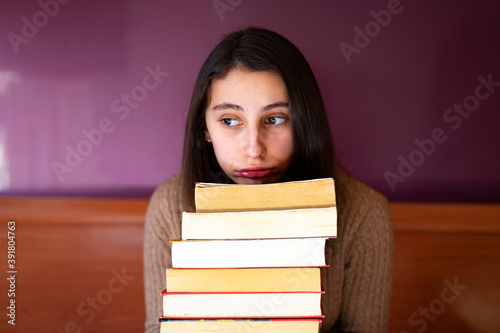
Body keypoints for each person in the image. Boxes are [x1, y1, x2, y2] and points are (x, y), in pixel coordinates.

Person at [143, 27, 393, 333]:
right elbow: (158, 328)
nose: (254, 149)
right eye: (230, 121)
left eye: (275, 119)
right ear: (204, 128)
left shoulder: (363, 212)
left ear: (304, 121)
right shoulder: (170, 205)